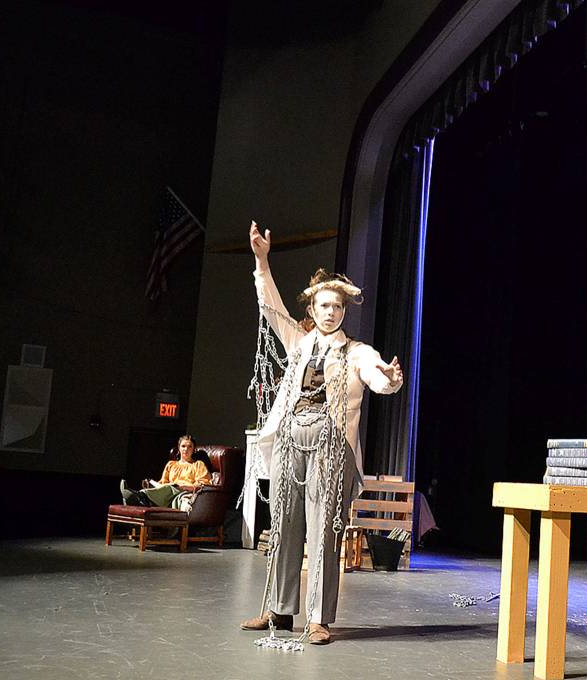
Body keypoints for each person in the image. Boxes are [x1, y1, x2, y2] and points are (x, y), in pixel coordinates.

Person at [239, 221, 403, 645]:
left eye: (337, 307)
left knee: (323, 529)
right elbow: (271, 307)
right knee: (284, 525)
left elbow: (376, 374)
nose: (330, 312)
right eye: (324, 306)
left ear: (344, 311)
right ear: (312, 311)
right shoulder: (298, 341)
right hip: (293, 437)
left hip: (331, 448)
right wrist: (262, 261)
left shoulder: (356, 350)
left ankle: (318, 618)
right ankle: (278, 611)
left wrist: (389, 379)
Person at [120, 434, 210, 509]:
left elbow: (203, 485)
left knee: (169, 488)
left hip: (184, 492)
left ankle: (138, 497)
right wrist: (151, 484)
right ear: (179, 448)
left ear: (193, 449)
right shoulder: (171, 464)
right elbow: (163, 482)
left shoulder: (198, 464)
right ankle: (140, 497)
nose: (186, 449)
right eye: (183, 446)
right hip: (168, 493)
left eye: (189, 447)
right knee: (167, 488)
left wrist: (184, 487)